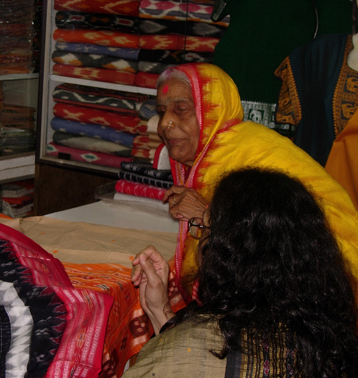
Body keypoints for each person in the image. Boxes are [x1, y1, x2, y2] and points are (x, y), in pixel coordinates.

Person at [126, 167, 358, 378]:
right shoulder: (328, 343)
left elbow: (183, 360)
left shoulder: (190, 349)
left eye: (205, 228)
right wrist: (160, 311)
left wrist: (170, 339)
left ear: (225, 254)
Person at [155, 63, 358, 302]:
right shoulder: (215, 153)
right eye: (161, 112)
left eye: (181, 110)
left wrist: (208, 215)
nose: (163, 124)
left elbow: (292, 240)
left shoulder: (249, 153)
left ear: (212, 111)